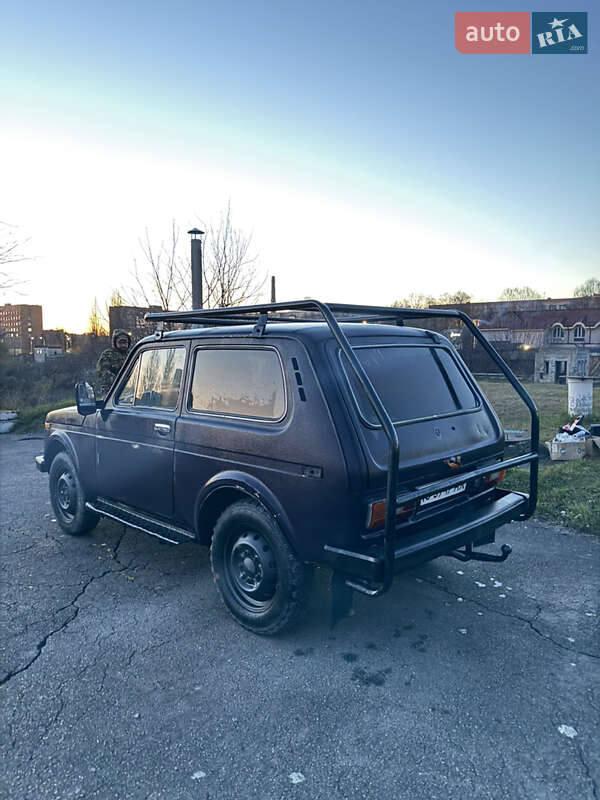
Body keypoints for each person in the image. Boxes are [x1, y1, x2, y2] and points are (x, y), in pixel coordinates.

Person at [97, 329, 132, 395]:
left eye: (125, 342)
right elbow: (103, 373)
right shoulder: (108, 354)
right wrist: (119, 381)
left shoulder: (131, 354)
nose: (123, 345)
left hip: (129, 391)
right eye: (120, 342)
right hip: (111, 391)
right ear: (115, 343)